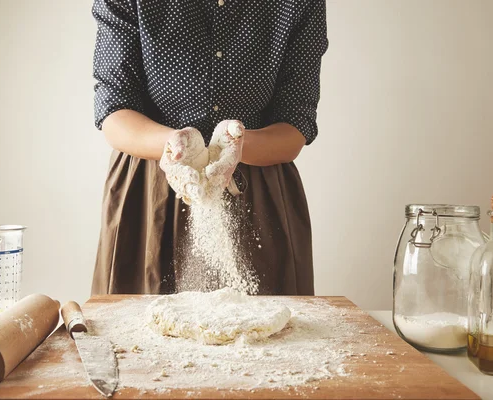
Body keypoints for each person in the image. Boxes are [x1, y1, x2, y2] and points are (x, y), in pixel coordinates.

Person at [90, 0, 329, 296]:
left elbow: (296, 122)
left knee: (260, 334)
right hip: (151, 193)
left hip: (256, 193)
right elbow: (114, 111)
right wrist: (173, 144)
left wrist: (235, 146)